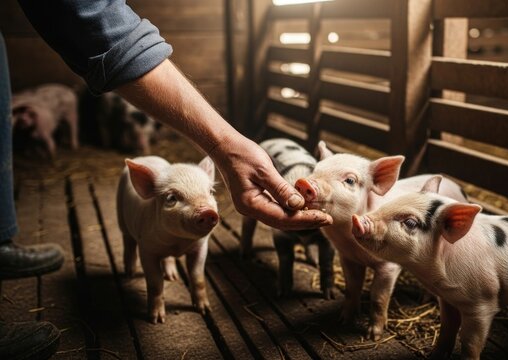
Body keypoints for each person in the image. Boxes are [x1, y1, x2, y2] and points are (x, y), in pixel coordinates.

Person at [1, 1, 332, 359]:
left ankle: (1, 243)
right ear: (147, 188)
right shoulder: (145, 190)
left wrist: (225, 147)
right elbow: (96, 19)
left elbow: (95, 18)